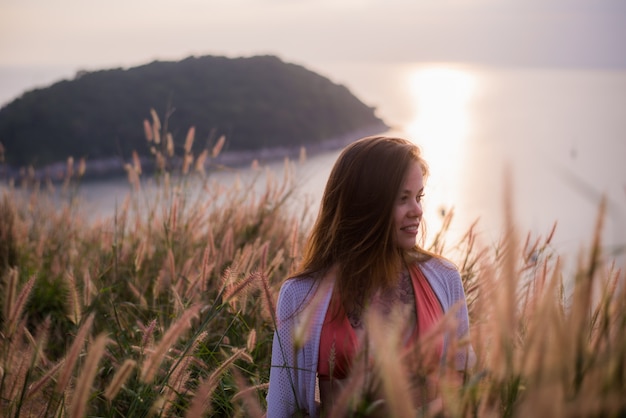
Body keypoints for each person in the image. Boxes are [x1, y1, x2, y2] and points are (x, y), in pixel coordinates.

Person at [266, 136, 475, 417]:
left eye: (418, 197)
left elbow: (463, 385)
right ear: (366, 205)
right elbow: (282, 407)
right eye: (402, 199)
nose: (417, 211)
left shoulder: (444, 278)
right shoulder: (301, 294)